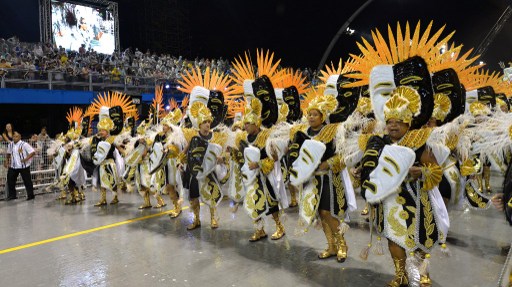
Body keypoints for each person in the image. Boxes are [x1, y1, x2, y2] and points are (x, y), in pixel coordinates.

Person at [5, 131, 35, 200]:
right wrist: (7, 161)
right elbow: (8, 154)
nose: (14, 138)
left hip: (23, 166)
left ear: (20, 137)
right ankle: (12, 195)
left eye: (16, 136)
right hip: (13, 166)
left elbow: (32, 152)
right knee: (10, 180)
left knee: (27, 181)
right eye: (13, 136)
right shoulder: (10, 145)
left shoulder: (24, 144)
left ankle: (31, 195)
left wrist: (26, 159)